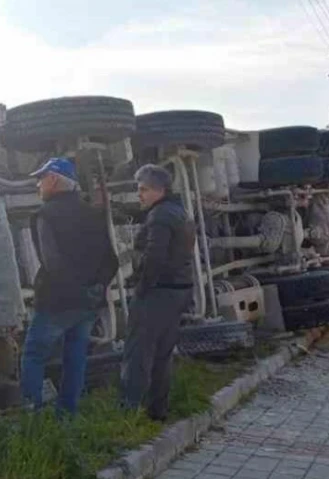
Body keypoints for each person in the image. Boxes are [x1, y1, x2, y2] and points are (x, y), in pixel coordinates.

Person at [20, 158, 118, 416]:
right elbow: (111, 260)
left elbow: (52, 262)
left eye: (41, 179)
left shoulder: (45, 215)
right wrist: (94, 288)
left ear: (53, 179)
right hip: (88, 303)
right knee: (75, 357)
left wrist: (72, 290)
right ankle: (67, 414)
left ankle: (32, 417)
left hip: (58, 301)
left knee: (33, 354)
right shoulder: (92, 213)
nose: (38, 185)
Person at [120, 164, 197, 422]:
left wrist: (141, 289)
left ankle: (129, 412)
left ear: (160, 190)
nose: (139, 195)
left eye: (144, 189)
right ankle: (157, 411)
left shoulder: (160, 216)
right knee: (162, 355)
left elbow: (154, 257)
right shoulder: (179, 211)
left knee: (138, 353)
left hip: (158, 292)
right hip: (178, 290)